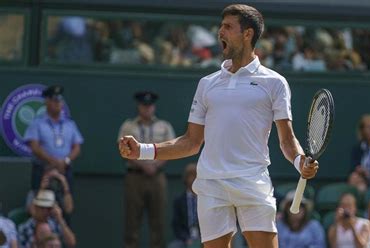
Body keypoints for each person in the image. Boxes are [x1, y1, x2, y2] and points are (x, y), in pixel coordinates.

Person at [119, 4, 319, 248]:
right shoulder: (207, 84)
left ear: (247, 34)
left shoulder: (275, 83)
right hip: (212, 185)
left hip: (252, 182)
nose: (220, 32)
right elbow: (190, 142)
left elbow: (287, 140)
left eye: (228, 27)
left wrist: (300, 162)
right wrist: (142, 150)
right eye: (220, 26)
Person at [118, 91, 176, 248]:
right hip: (135, 176)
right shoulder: (128, 125)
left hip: (157, 177)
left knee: (158, 220)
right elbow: (123, 150)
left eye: (150, 106)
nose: (147, 109)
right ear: (139, 107)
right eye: (144, 106)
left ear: (154, 107)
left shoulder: (164, 126)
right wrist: (143, 165)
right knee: (132, 220)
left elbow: (172, 149)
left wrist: (155, 165)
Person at [24, 85, 83, 194]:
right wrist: (54, 162)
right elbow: (35, 147)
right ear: (46, 102)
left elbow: (77, 147)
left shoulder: (69, 124)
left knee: (66, 203)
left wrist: (65, 161)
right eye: (54, 100)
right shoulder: (37, 123)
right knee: (41, 201)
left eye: (60, 101)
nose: (58, 104)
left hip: (65, 169)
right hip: (43, 169)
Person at [169, 163, 200, 248]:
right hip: (185, 239)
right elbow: (176, 225)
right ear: (186, 178)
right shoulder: (179, 200)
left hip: (203, 238)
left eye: (196, 176)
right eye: (191, 176)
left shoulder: (205, 199)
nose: (194, 179)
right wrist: (186, 239)